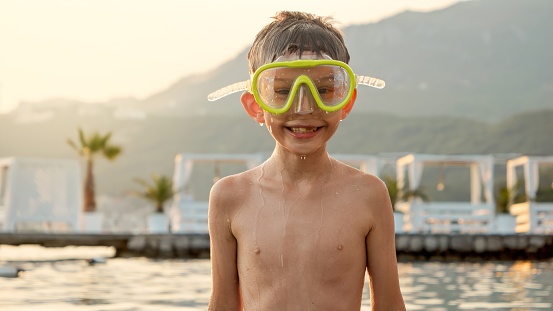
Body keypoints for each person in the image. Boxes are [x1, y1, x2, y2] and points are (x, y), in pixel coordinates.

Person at [207, 11, 405, 311]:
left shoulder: (368, 195)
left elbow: (390, 305)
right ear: (255, 106)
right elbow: (222, 304)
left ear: (346, 101)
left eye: (324, 90)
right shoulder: (230, 197)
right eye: (282, 91)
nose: (304, 107)